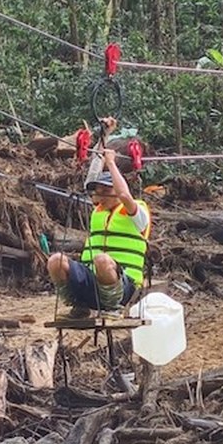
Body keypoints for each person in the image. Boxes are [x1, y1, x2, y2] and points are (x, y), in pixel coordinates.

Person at [47, 127, 151, 319]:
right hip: (92, 284)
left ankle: (112, 308)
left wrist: (111, 163)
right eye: (98, 190)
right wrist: (104, 136)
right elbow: (92, 178)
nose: (99, 195)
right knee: (56, 261)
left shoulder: (137, 211)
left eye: (105, 190)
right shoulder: (98, 209)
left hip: (122, 288)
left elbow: (123, 194)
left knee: (102, 260)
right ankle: (79, 306)